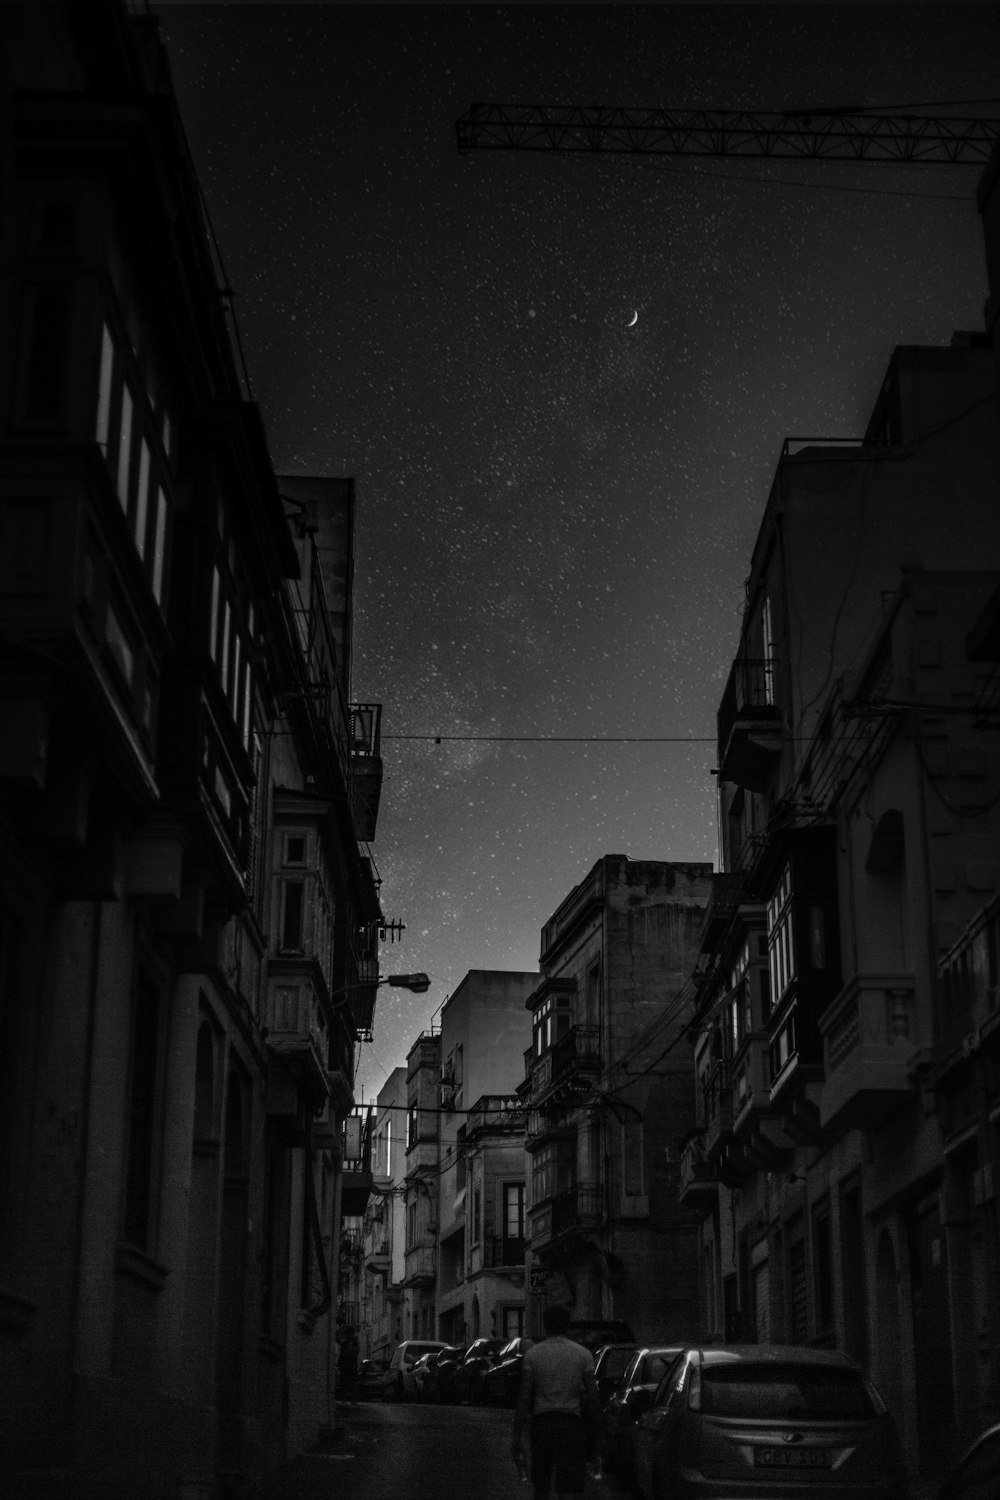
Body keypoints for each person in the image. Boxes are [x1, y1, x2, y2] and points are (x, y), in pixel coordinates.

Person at [511, 1305, 602, 1500]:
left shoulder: (533, 1355)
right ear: (567, 1326)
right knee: (568, 1488)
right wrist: (596, 1432)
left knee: (541, 1485)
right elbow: (592, 1396)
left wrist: (516, 1434)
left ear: (545, 1326)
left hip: (542, 1423)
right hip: (571, 1424)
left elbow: (525, 1397)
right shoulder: (583, 1354)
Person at [338, 1326, 359, 1404]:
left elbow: (352, 1352)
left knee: (349, 1383)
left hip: (349, 1366)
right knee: (348, 1383)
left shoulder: (352, 1342)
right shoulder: (348, 1343)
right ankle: (348, 1398)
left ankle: (349, 1399)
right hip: (348, 1366)